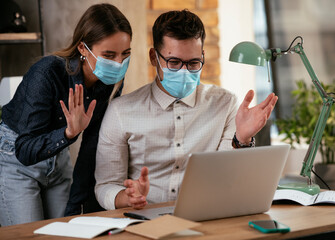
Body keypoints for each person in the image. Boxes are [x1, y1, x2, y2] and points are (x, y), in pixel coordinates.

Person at [94, 9, 277, 210]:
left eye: (193, 63)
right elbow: (106, 185)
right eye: (174, 62)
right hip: (143, 219)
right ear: (154, 57)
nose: (184, 71)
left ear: (203, 57)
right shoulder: (121, 111)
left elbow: (229, 177)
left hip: (206, 215)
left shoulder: (225, 104)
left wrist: (241, 139)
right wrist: (127, 198)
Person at [0, 3, 132, 226]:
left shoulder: (111, 82)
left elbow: (91, 147)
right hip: (17, 160)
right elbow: (24, 150)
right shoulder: (47, 72)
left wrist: (74, 210)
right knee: (30, 235)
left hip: (59, 162)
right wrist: (69, 134)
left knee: (65, 231)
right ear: (83, 48)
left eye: (125, 54)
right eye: (109, 55)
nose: (119, 64)